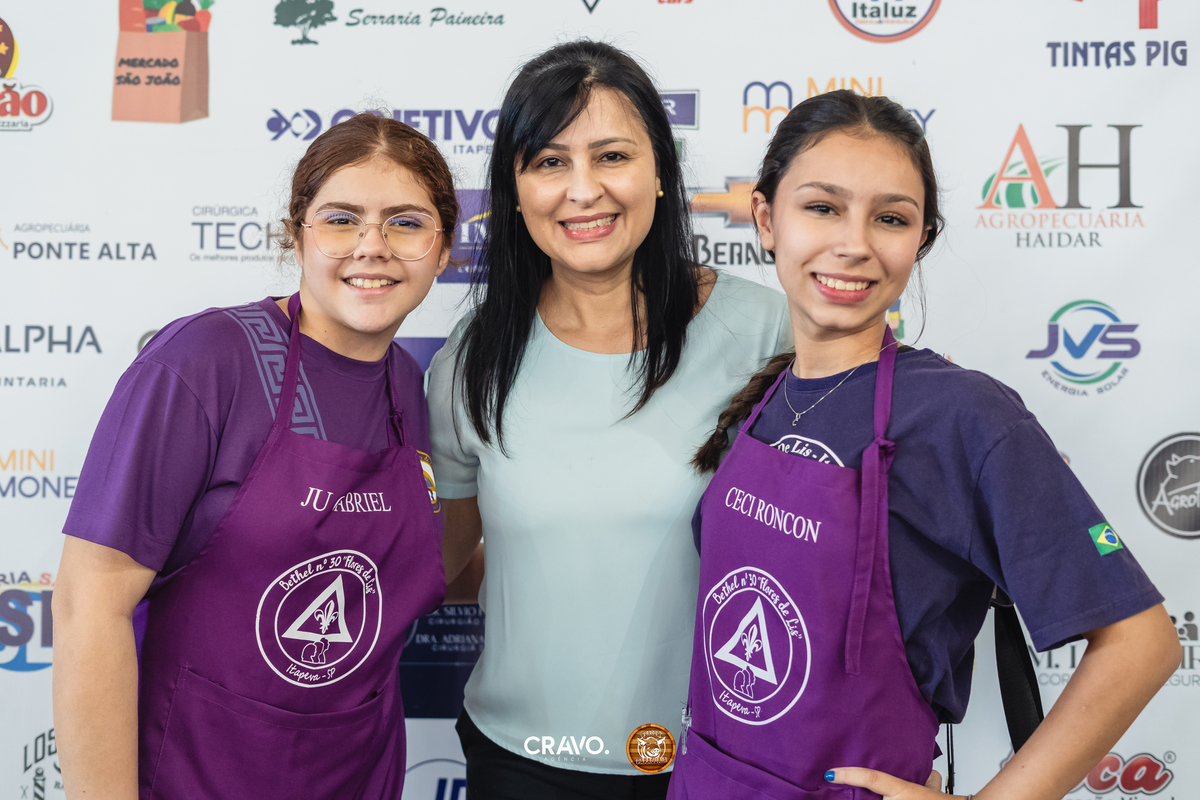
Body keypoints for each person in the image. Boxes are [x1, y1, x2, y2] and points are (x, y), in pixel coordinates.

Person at [669, 90, 1180, 800]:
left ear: (920, 239)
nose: (854, 243)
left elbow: (1142, 644)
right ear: (765, 219)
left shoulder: (962, 416)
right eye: (822, 207)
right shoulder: (766, 398)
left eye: (890, 218)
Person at [52, 114, 454, 799]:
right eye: (341, 220)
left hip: (360, 775)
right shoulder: (205, 363)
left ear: (442, 251)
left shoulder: (409, 387)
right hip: (197, 776)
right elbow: (89, 605)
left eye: (406, 223)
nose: (373, 246)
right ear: (298, 235)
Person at [428, 41, 791, 798]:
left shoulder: (769, 333)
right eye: (549, 162)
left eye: (612, 156)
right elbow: (444, 556)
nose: (583, 190)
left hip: (721, 758)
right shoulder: (473, 357)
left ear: (659, 171)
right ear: (515, 189)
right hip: (522, 760)